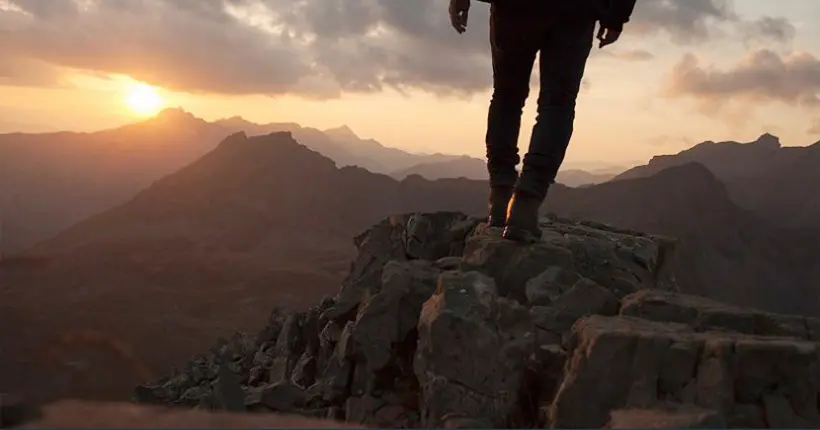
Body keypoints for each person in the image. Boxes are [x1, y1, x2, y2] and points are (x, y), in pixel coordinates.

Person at [449, 0, 637, 243]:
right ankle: (525, 205)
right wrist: (616, 16)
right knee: (557, 103)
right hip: (576, 11)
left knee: (507, 95)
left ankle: (501, 196)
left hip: (514, 10)